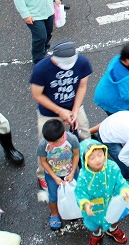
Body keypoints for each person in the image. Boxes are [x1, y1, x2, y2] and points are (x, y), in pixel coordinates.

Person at [30, 40, 92, 188]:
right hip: (49, 113)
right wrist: (60, 111)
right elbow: (37, 94)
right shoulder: (41, 69)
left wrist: (75, 111)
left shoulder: (82, 63)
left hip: (74, 107)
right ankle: (42, 174)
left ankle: (89, 168)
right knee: (46, 144)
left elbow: (82, 86)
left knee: (85, 136)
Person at [75, 139, 129, 245]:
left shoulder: (112, 167)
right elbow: (80, 193)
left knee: (114, 218)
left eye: (100, 155)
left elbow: (120, 182)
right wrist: (85, 204)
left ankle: (113, 229)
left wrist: (126, 193)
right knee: (94, 224)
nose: (98, 160)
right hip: (94, 208)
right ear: (85, 161)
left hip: (112, 203)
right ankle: (97, 234)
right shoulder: (83, 176)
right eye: (92, 158)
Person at [38, 119, 80, 230]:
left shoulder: (71, 139)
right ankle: (54, 214)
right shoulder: (43, 144)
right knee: (53, 196)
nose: (50, 144)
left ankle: (72, 210)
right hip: (53, 175)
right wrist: (54, 177)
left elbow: (76, 155)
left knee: (75, 192)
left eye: (53, 142)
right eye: (48, 141)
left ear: (62, 136)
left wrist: (72, 172)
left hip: (70, 172)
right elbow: (43, 161)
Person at [93, 42, 129, 116]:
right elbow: (125, 96)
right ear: (128, 60)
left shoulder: (117, 59)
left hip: (105, 91)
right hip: (112, 101)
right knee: (121, 118)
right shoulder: (123, 79)